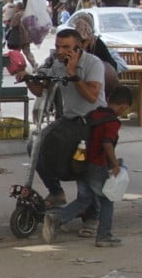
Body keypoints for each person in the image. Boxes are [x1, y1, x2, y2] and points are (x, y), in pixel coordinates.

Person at [17, 28, 106, 209]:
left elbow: (92, 96)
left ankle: (92, 212)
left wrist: (72, 73)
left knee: (82, 162)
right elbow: (41, 89)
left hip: (94, 121)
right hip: (70, 119)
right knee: (34, 144)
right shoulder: (58, 64)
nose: (60, 51)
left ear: (78, 47)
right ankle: (56, 191)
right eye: (58, 46)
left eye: (66, 47)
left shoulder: (93, 63)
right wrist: (27, 77)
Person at [42, 85, 132, 248]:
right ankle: (104, 235)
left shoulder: (95, 114)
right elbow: (107, 143)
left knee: (85, 198)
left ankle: (57, 217)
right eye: (125, 110)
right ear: (123, 106)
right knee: (107, 199)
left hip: (80, 163)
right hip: (96, 165)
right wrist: (114, 164)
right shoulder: (112, 122)